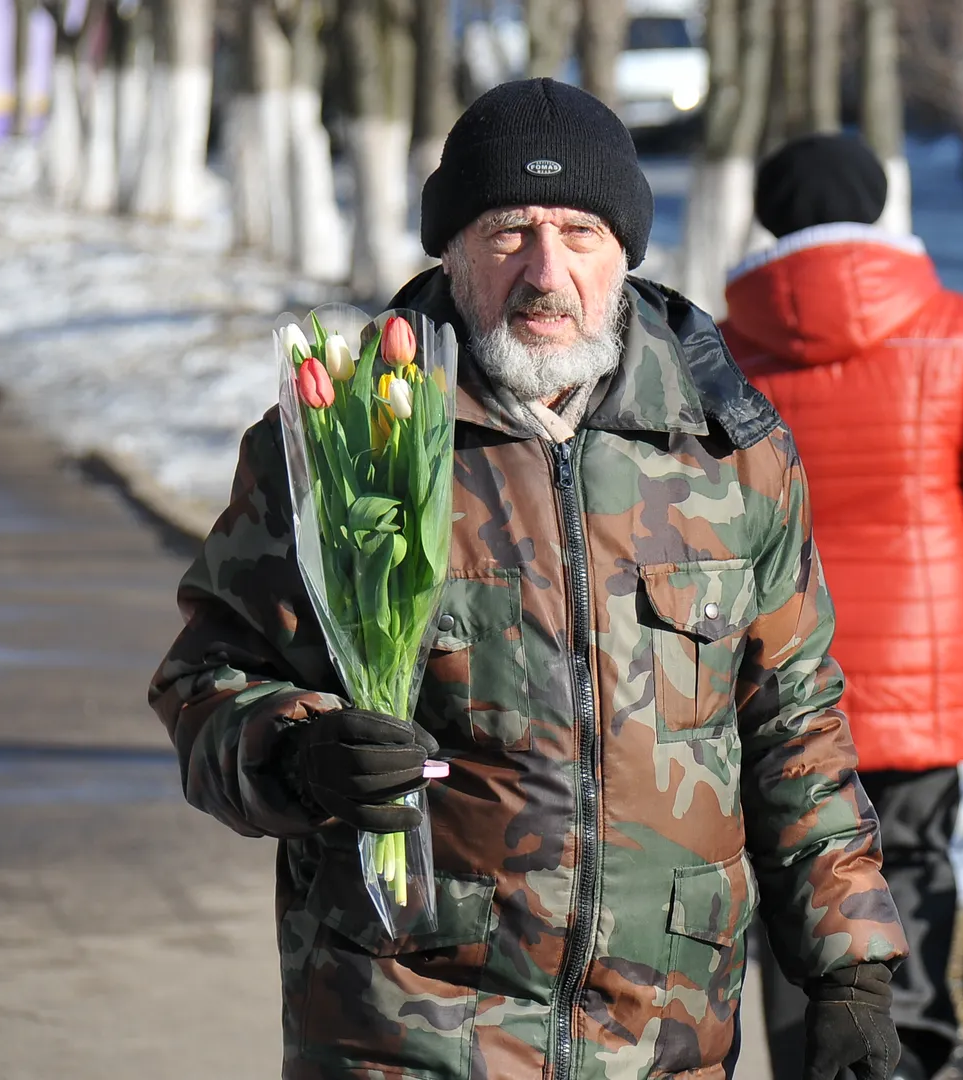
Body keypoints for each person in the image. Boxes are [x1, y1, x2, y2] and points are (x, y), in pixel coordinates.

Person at [149, 81, 906, 1080]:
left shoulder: (728, 456)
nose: (547, 273)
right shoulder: (340, 450)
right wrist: (299, 754)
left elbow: (793, 729)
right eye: (510, 232)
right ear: (451, 249)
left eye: (580, 232)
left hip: (664, 1040)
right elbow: (207, 684)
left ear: (625, 252)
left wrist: (851, 975)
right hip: (405, 1031)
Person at [721, 133, 963, 1080]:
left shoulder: (724, 346)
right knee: (910, 863)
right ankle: (911, 1053)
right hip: (928, 664)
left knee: (796, 876)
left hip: (780, 673)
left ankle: (812, 1064)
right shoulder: (953, 327)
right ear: (878, 208)